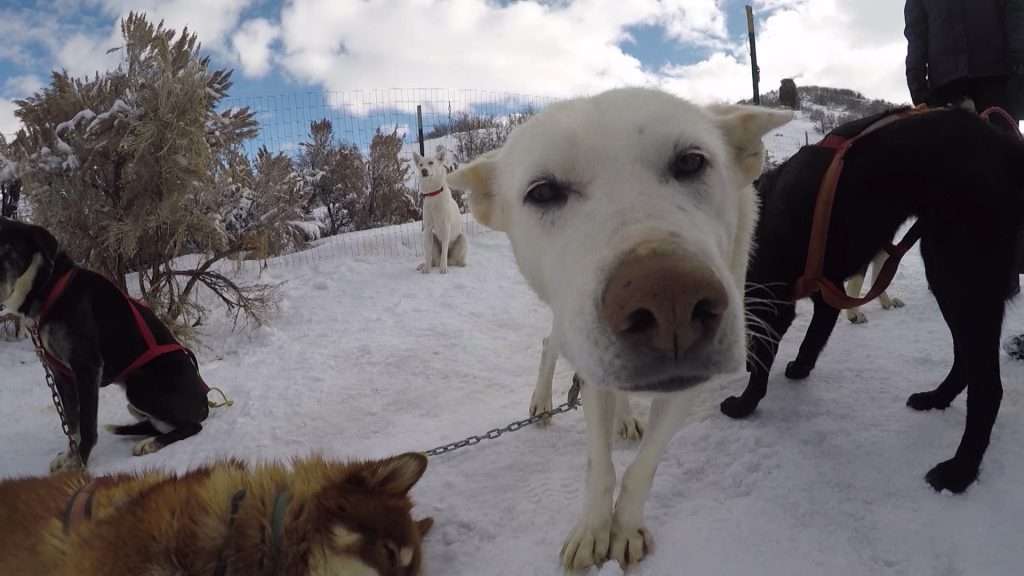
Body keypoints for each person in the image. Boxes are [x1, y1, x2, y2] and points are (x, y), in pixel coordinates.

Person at [904, 0, 1011, 112]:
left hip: (994, 82)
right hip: (946, 90)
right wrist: (919, 94)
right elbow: (916, 39)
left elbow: (1014, 15)